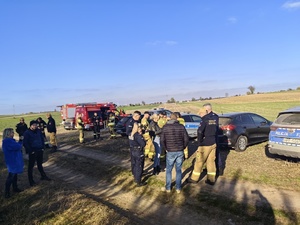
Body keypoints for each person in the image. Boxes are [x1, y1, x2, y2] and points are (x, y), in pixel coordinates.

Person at [188, 107, 218, 185]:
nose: (200, 115)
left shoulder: (204, 121)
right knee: (211, 161)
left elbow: (200, 131)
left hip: (205, 144)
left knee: (199, 161)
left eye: (200, 114)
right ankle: (211, 180)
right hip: (213, 143)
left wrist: (199, 142)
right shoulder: (213, 120)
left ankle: (194, 179)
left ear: (202, 113)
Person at [160, 113, 189, 193]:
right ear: (177, 118)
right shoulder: (181, 127)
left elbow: (162, 140)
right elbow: (186, 139)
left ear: (169, 118)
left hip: (170, 151)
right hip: (179, 150)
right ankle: (178, 188)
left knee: (169, 170)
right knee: (178, 170)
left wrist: (166, 148)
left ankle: (168, 188)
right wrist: (183, 147)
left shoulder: (165, 127)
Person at [23, 120, 51, 186]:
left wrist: (43, 147)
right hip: (32, 151)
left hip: (39, 150)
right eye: (33, 125)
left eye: (36, 125)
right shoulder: (27, 133)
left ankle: (43, 176)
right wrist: (30, 151)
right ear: (30, 126)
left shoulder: (38, 131)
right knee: (31, 166)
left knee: (40, 164)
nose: (35, 126)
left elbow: (42, 139)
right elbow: (25, 143)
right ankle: (31, 181)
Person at [2, 128, 24, 198]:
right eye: (12, 132)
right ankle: (7, 192)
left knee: (14, 175)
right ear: (8, 134)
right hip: (12, 161)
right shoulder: (8, 141)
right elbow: (18, 147)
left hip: (13, 160)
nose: (13, 133)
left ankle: (15, 188)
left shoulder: (9, 141)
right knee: (11, 176)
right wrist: (20, 140)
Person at [203, 103, 221, 175]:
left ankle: (218, 169)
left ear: (207, 109)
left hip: (214, 138)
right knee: (209, 156)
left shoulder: (214, 116)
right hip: (208, 138)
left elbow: (212, 123)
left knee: (216, 154)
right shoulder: (206, 117)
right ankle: (209, 168)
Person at [126, 110, 142, 175]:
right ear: (135, 116)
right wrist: (134, 135)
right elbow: (128, 132)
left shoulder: (137, 121)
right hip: (133, 143)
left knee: (137, 161)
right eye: (139, 116)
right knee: (134, 160)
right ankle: (134, 172)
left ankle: (138, 172)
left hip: (138, 141)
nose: (139, 118)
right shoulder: (130, 122)